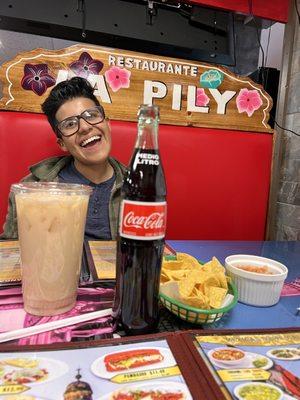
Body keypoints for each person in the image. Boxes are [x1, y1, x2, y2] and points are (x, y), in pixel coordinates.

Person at [1, 77, 126, 240]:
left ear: (107, 124)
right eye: (70, 124)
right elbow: (10, 251)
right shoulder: (30, 189)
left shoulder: (140, 187)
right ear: (62, 144)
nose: (85, 127)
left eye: (92, 115)